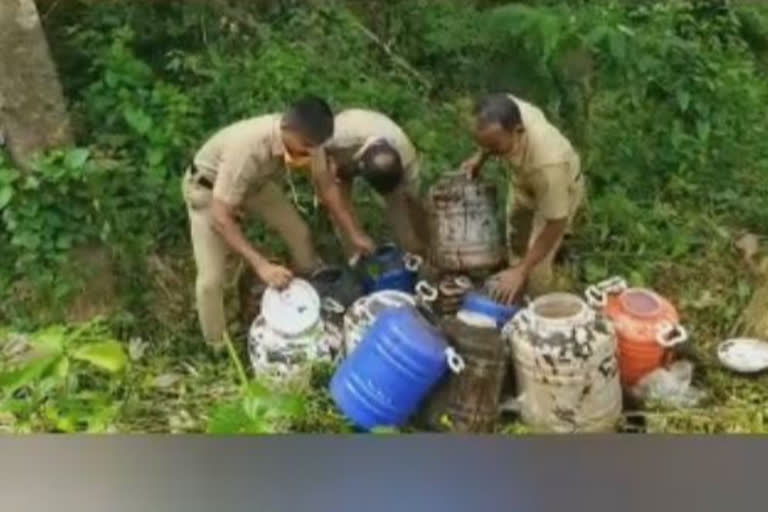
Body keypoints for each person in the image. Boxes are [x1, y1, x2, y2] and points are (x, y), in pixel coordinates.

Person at [183, 96, 374, 348]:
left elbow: (327, 187)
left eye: (314, 147)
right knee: (212, 280)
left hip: (256, 185)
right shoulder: (247, 148)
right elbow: (221, 217)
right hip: (208, 191)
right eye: (305, 145)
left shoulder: (310, 141)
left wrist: (354, 233)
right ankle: (217, 346)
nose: (309, 152)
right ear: (287, 128)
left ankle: (312, 289)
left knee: (299, 232)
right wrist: (261, 265)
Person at [461, 93, 584, 303]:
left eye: (496, 148)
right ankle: (514, 283)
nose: (492, 152)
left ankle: (538, 305)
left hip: (558, 191)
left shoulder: (548, 165)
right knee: (517, 240)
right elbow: (490, 137)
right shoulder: (504, 110)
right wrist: (480, 157)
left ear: (518, 131)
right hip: (523, 182)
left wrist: (523, 270)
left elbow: (556, 222)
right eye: (485, 145)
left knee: (536, 273)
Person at [322, 108, 429, 258]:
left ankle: (417, 253)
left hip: (384, 151)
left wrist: (418, 238)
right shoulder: (335, 138)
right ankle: (357, 256)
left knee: (404, 209)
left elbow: (412, 201)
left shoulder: (406, 155)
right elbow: (328, 188)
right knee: (339, 202)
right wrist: (354, 234)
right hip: (343, 148)